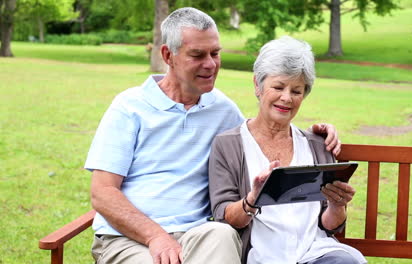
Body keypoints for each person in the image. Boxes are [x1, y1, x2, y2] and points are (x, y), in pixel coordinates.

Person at [85, 7, 341, 264]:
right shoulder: (129, 107)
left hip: (198, 235)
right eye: (197, 55)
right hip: (132, 240)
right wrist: (156, 237)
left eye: (215, 53)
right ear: (168, 55)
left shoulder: (222, 109)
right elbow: (102, 192)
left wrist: (313, 136)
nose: (210, 64)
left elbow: (262, 134)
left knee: (222, 234)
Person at [209, 36, 366, 264]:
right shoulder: (228, 145)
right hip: (261, 256)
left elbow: (329, 225)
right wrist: (253, 199)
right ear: (257, 85)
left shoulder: (317, 144)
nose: (286, 98)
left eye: (297, 91)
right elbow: (225, 217)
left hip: (316, 253)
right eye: (278, 87)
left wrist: (337, 204)